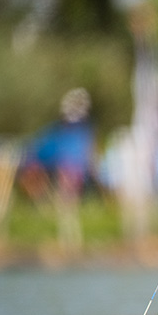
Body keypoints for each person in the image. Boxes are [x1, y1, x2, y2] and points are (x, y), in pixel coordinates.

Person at [19, 87, 96, 251]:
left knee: (66, 206)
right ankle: (71, 240)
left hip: (68, 171)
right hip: (72, 171)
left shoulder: (70, 133)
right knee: (68, 206)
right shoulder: (79, 132)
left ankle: (69, 241)